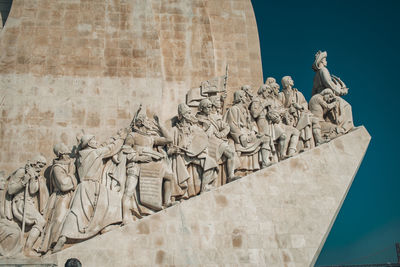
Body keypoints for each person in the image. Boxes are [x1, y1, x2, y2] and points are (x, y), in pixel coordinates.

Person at [52, 129, 127, 253]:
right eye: (94, 140)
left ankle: (62, 238)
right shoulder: (96, 153)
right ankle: (105, 226)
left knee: (76, 212)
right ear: (90, 143)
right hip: (93, 186)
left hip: (82, 187)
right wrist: (121, 138)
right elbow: (111, 149)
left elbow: (103, 145)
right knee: (114, 202)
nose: (96, 142)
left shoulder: (79, 156)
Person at [122, 113, 175, 224]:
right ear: (141, 122)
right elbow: (126, 151)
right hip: (136, 165)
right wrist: (139, 158)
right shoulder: (133, 136)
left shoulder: (151, 138)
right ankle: (125, 217)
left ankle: (167, 202)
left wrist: (160, 124)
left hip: (150, 166)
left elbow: (169, 139)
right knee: (129, 190)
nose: (149, 122)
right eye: (147, 120)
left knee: (169, 176)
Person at [168, 103, 218, 199]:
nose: (190, 115)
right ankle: (179, 194)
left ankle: (204, 189)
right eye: (187, 113)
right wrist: (174, 150)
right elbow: (169, 150)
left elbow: (202, 141)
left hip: (194, 155)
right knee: (177, 164)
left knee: (210, 162)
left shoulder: (194, 128)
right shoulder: (174, 130)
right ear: (182, 115)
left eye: (190, 112)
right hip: (181, 156)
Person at [35, 143, 78, 254]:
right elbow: (63, 185)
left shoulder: (70, 164)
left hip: (71, 196)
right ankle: (50, 246)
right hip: (61, 197)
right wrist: (72, 175)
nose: (69, 155)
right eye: (66, 153)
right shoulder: (57, 168)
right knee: (58, 220)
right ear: (61, 154)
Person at [7, 155, 48, 256]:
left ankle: (27, 249)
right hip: (20, 203)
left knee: (41, 221)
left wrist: (33, 177)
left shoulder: (35, 175)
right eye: (39, 165)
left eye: (42, 166)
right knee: (41, 221)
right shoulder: (21, 172)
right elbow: (10, 190)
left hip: (29, 203)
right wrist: (24, 180)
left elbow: (32, 190)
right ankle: (27, 249)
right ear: (34, 163)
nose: (40, 168)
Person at [225, 90, 269, 172]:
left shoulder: (247, 111)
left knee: (265, 139)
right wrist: (240, 135)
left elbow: (253, 124)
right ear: (241, 98)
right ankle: (234, 172)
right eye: (245, 96)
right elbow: (231, 124)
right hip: (240, 135)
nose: (247, 98)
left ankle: (265, 163)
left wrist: (254, 131)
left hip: (249, 135)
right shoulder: (234, 109)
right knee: (236, 147)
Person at [196, 99, 238, 184]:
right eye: (207, 107)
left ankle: (231, 176)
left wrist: (221, 134)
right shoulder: (197, 120)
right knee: (212, 161)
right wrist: (204, 129)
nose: (210, 109)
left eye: (210, 107)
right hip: (207, 143)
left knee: (231, 153)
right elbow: (196, 135)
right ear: (202, 108)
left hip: (216, 140)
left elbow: (227, 127)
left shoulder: (212, 118)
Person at [311, 50, 354, 132]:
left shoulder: (315, 76)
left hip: (321, 97)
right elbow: (329, 83)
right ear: (322, 61)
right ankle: (346, 128)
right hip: (327, 95)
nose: (326, 61)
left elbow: (313, 92)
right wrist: (340, 91)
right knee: (347, 106)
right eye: (325, 60)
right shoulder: (323, 70)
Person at [279, 76, 314, 150]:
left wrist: (300, 106)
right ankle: (296, 147)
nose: (292, 80)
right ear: (286, 82)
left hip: (300, 114)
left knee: (306, 117)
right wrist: (288, 110)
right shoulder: (281, 95)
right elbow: (279, 108)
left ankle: (306, 144)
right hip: (290, 117)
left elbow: (304, 103)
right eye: (290, 79)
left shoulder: (298, 93)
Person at [0, 171, 22, 257]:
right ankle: (5, 253)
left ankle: (8, 253)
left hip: (2, 223)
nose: (4, 183)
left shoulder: (2, 195)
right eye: (1, 181)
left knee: (16, 229)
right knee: (14, 232)